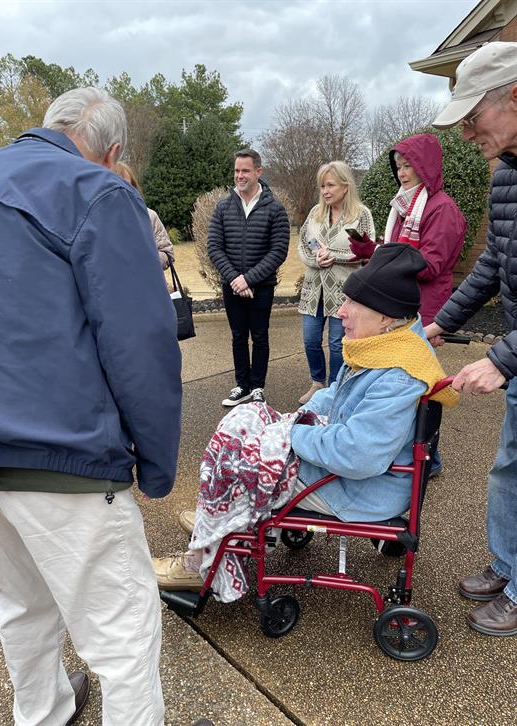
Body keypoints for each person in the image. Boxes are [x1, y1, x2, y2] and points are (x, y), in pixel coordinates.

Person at [0, 88, 182, 725]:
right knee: (122, 634)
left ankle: (43, 713)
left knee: (20, 603)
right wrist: (156, 463)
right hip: (65, 452)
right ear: (112, 151)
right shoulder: (99, 192)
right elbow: (140, 343)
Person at [153, 243, 458, 602]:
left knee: (239, 461)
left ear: (385, 316)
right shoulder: (383, 346)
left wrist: (291, 434)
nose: (340, 312)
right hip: (352, 473)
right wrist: (289, 420)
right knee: (245, 422)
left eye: (351, 305)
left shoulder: (397, 376)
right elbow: (333, 395)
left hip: (358, 487)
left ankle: (201, 562)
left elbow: (358, 455)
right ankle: (217, 519)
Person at [424, 41, 517, 637]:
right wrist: (438, 324)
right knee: (508, 468)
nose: (463, 133)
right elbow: (491, 266)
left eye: (471, 116)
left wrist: (503, 360)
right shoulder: (506, 174)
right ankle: (508, 567)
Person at [350, 133, 467, 327]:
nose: (401, 174)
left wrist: (376, 252)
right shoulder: (406, 206)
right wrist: (375, 248)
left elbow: (427, 266)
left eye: (407, 166)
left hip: (423, 308)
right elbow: (401, 250)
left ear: (424, 166)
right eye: (398, 167)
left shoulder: (443, 209)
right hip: (403, 303)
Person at [208, 148, 290, 407]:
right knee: (237, 336)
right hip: (232, 286)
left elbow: (278, 250)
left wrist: (249, 279)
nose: (239, 176)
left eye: (245, 170)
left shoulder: (274, 208)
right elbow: (214, 246)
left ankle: (257, 387)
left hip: (261, 287)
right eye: (236, 171)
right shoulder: (223, 206)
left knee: (260, 336)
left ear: (258, 171)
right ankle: (242, 385)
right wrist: (235, 279)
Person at [297, 161, 375, 404]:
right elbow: (303, 243)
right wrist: (315, 259)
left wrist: (336, 257)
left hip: (343, 291)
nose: (325, 191)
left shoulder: (361, 215)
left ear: (345, 186)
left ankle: (335, 388)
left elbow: (368, 250)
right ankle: (317, 383)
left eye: (330, 185)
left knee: (337, 342)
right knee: (310, 339)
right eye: (322, 186)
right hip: (313, 290)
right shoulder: (315, 214)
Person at [113, 160, 175, 270]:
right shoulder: (99, 220)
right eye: (116, 185)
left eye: (127, 185)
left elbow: (167, 254)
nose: (123, 190)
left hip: (148, 284)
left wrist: (144, 258)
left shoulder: (149, 216)